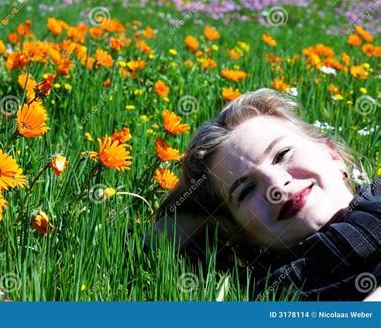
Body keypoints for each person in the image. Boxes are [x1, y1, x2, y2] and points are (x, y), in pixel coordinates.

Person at [148, 88, 380, 301]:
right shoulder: (263, 294)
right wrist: (203, 221)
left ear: (332, 155)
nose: (276, 186)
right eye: (246, 191)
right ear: (245, 234)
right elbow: (142, 252)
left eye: (282, 154)